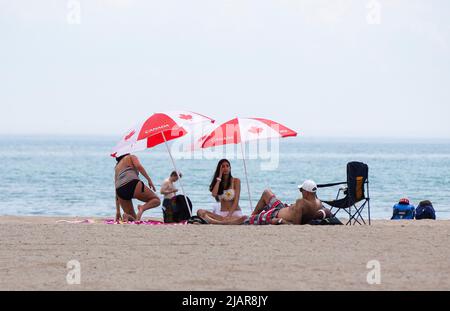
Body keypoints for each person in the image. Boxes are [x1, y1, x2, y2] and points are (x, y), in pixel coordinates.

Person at [202, 180, 330, 225]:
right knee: (266, 193)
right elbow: (326, 212)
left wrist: (280, 221)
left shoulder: (301, 202)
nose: (301, 191)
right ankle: (253, 215)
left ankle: (216, 222)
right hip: (283, 208)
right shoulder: (318, 202)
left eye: (301, 190)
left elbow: (295, 226)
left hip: (274, 216)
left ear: (307, 192)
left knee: (243, 219)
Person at [114, 153, 160, 222]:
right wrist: (149, 180)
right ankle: (142, 208)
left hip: (120, 190)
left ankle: (127, 216)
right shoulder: (131, 157)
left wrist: (118, 211)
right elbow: (139, 166)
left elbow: (116, 186)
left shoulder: (117, 167)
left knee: (133, 218)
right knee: (156, 200)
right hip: (131, 183)